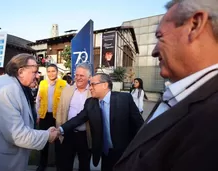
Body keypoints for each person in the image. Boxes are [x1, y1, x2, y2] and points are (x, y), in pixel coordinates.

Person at [114, 1, 218, 170]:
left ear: (195, 25)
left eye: (160, 37)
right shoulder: (176, 96)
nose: (154, 51)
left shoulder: (211, 121)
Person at [58, 73, 144, 171]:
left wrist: (141, 149)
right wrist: (60, 130)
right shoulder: (90, 102)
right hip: (104, 154)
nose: (90, 88)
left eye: (93, 84)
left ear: (105, 85)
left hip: (124, 153)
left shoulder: (124, 99)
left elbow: (140, 125)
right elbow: (78, 119)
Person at [56, 63, 92, 171]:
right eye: (76, 75)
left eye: (82, 76)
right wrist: (59, 130)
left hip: (85, 136)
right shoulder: (67, 90)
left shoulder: (93, 92)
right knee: (65, 165)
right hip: (68, 134)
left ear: (89, 77)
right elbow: (60, 111)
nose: (78, 78)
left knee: (84, 165)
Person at [36, 64, 67, 171]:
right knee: (44, 141)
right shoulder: (42, 83)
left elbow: (66, 101)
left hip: (58, 117)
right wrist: (37, 114)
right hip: (45, 116)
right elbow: (38, 100)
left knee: (59, 141)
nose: (51, 73)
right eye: (48, 71)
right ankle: (42, 165)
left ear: (57, 72)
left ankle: (60, 165)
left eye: (53, 71)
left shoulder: (64, 84)